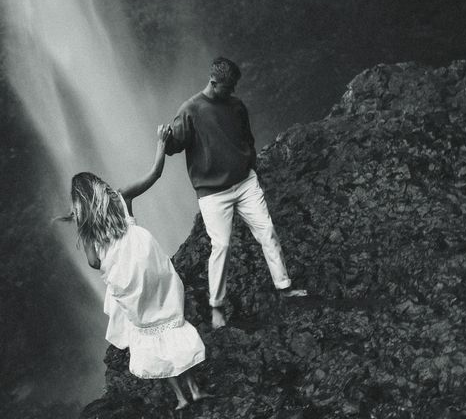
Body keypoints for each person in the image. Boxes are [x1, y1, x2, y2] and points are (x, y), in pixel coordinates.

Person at [59, 125, 211, 410]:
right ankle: (195, 388)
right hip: (151, 263)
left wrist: (108, 259)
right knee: (171, 321)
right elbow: (155, 173)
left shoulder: (88, 226)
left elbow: (93, 262)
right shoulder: (120, 197)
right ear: (97, 185)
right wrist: (160, 143)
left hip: (127, 278)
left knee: (147, 330)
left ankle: (180, 399)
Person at [165, 57, 307, 329]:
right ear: (214, 82)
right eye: (227, 88)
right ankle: (216, 307)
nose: (231, 92)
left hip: (245, 183)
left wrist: (249, 163)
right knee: (222, 246)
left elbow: (247, 138)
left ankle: (284, 287)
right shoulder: (190, 110)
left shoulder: (236, 105)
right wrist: (165, 139)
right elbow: (175, 145)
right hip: (212, 194)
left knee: (267, 231)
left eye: (233, 88)